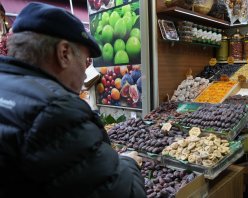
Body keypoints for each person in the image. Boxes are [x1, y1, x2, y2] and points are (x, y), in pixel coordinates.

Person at [0, 2, 146, 198]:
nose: (85, 73)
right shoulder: (57, 112)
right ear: (64, 53)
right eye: (85, 61)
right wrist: (128, 163)